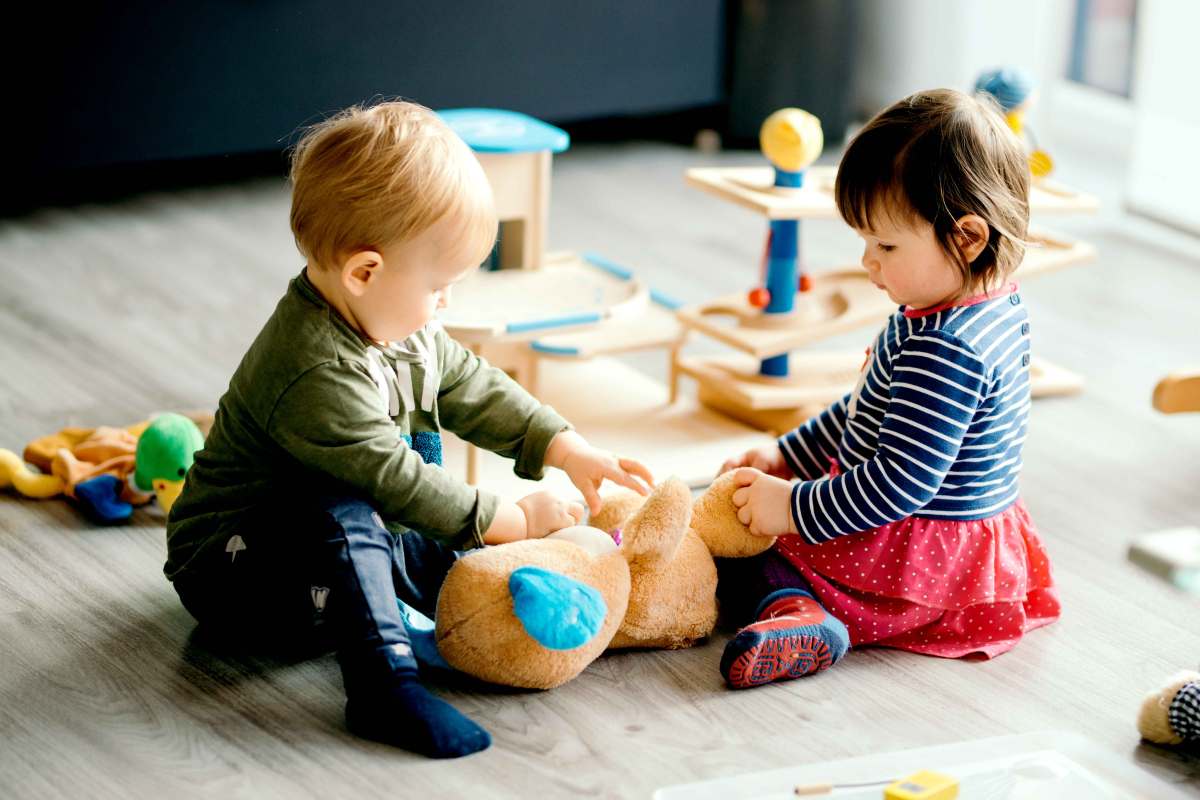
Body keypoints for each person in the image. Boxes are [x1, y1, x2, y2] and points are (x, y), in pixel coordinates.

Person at [164, 100, 653, 757]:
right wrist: (510, 518)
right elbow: (392, 482)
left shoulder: (402, 324)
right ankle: (383, 687)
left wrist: (565, 446)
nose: (447, 303)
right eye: (440, 285)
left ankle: (472, 611)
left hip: (338, 546)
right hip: (233, 572)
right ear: (365, 272)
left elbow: (471, 386)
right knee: (346, 505)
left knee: (418, 469)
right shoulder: (311, 367)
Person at [715, 88, 1060, 689]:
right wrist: (788, 453)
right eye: (866, 241)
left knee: (746, 553)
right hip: (957, 547)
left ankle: (803, 613)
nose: (869, 262)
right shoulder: (972, 303)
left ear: (968, 238)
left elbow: (898, 484)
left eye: (887, 246)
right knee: (750, 521)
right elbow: (868, 408)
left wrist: (791, 507)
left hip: (914, 561)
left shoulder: (947, 346)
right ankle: (802, 604)